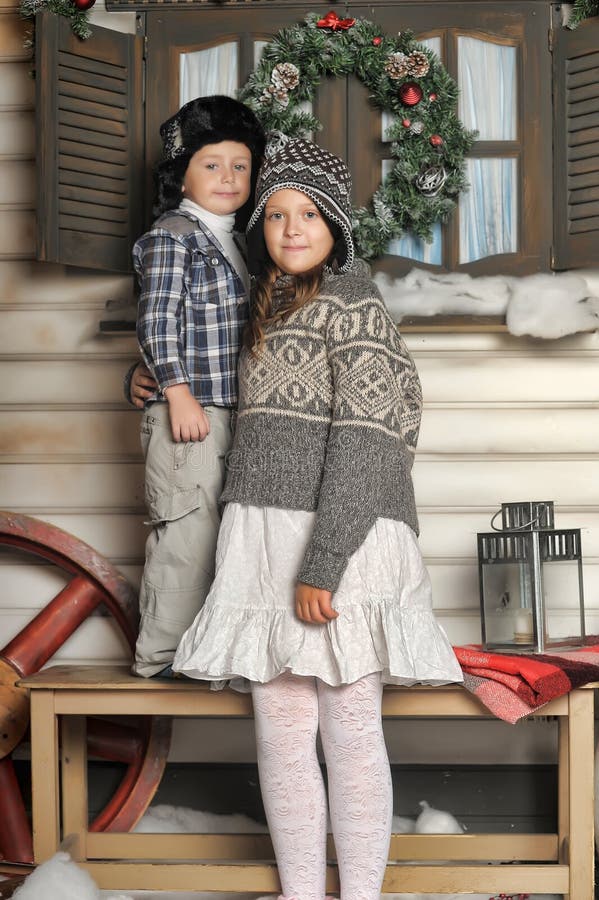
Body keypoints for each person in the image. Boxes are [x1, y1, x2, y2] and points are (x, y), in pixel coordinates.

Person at [173, 134, 463, 900]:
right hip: (266, 536)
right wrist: (154, 376)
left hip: (338, 538)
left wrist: (324, 563)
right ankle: (305, 892)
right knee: (279, 730)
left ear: (335, 225)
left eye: (307, 214)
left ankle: (358, 895)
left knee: (349, 727)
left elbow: (369, 447)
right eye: (274, 215)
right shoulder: (270, 303)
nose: (290, 229)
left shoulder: (354, 308)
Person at [131, 95, 265, 677]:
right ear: (181, 174)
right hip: (191, 411)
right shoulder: (173, 236)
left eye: (240, 165)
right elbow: (156, 319)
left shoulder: (237, 243)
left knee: (227, 538)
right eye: (212, 165)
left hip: (231, 412)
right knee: (186, 534)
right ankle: (161, 658)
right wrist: (175, 390)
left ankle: (211, 655)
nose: (228, 177)